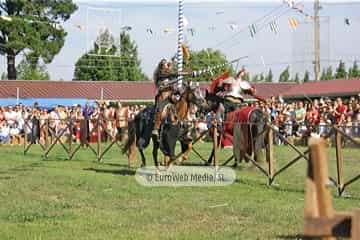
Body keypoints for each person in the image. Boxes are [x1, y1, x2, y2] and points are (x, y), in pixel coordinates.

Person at [152, 59, 179, 138]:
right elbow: (169, 77)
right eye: (165, 65)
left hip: (170, 96)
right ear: (162, 66)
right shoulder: (160, 74)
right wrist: (177, 74)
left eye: (167, 65)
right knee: (159, 109)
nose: (166, 66)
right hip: (162, 96)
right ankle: (156, 128)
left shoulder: (168, 74)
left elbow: (173, 78)